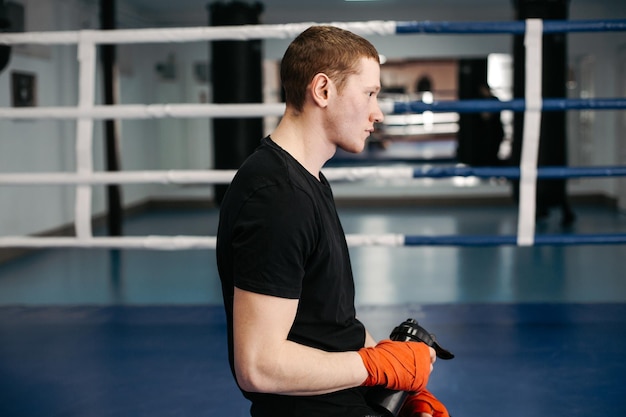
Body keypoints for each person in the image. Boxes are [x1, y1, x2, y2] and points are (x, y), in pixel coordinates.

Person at [216, 25, 449, 417]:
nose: (377, 112)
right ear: (322, 90)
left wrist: (397, 388)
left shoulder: (309, 180)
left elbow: (330, 321)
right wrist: (377, 367)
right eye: (370, 94)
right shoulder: (277, 197)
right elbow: (257, 366)